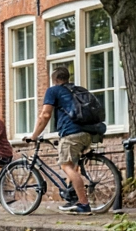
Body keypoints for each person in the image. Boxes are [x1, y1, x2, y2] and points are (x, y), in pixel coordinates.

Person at [26, 67, 100, 214]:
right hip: (88, 133)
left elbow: (45, 115)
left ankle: (84, 205)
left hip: (71, 134)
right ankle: (73, 199)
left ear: (55, 79)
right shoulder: (78, 90)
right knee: (74, 164)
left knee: (67, 166)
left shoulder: (53, 91)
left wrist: (33, 135)